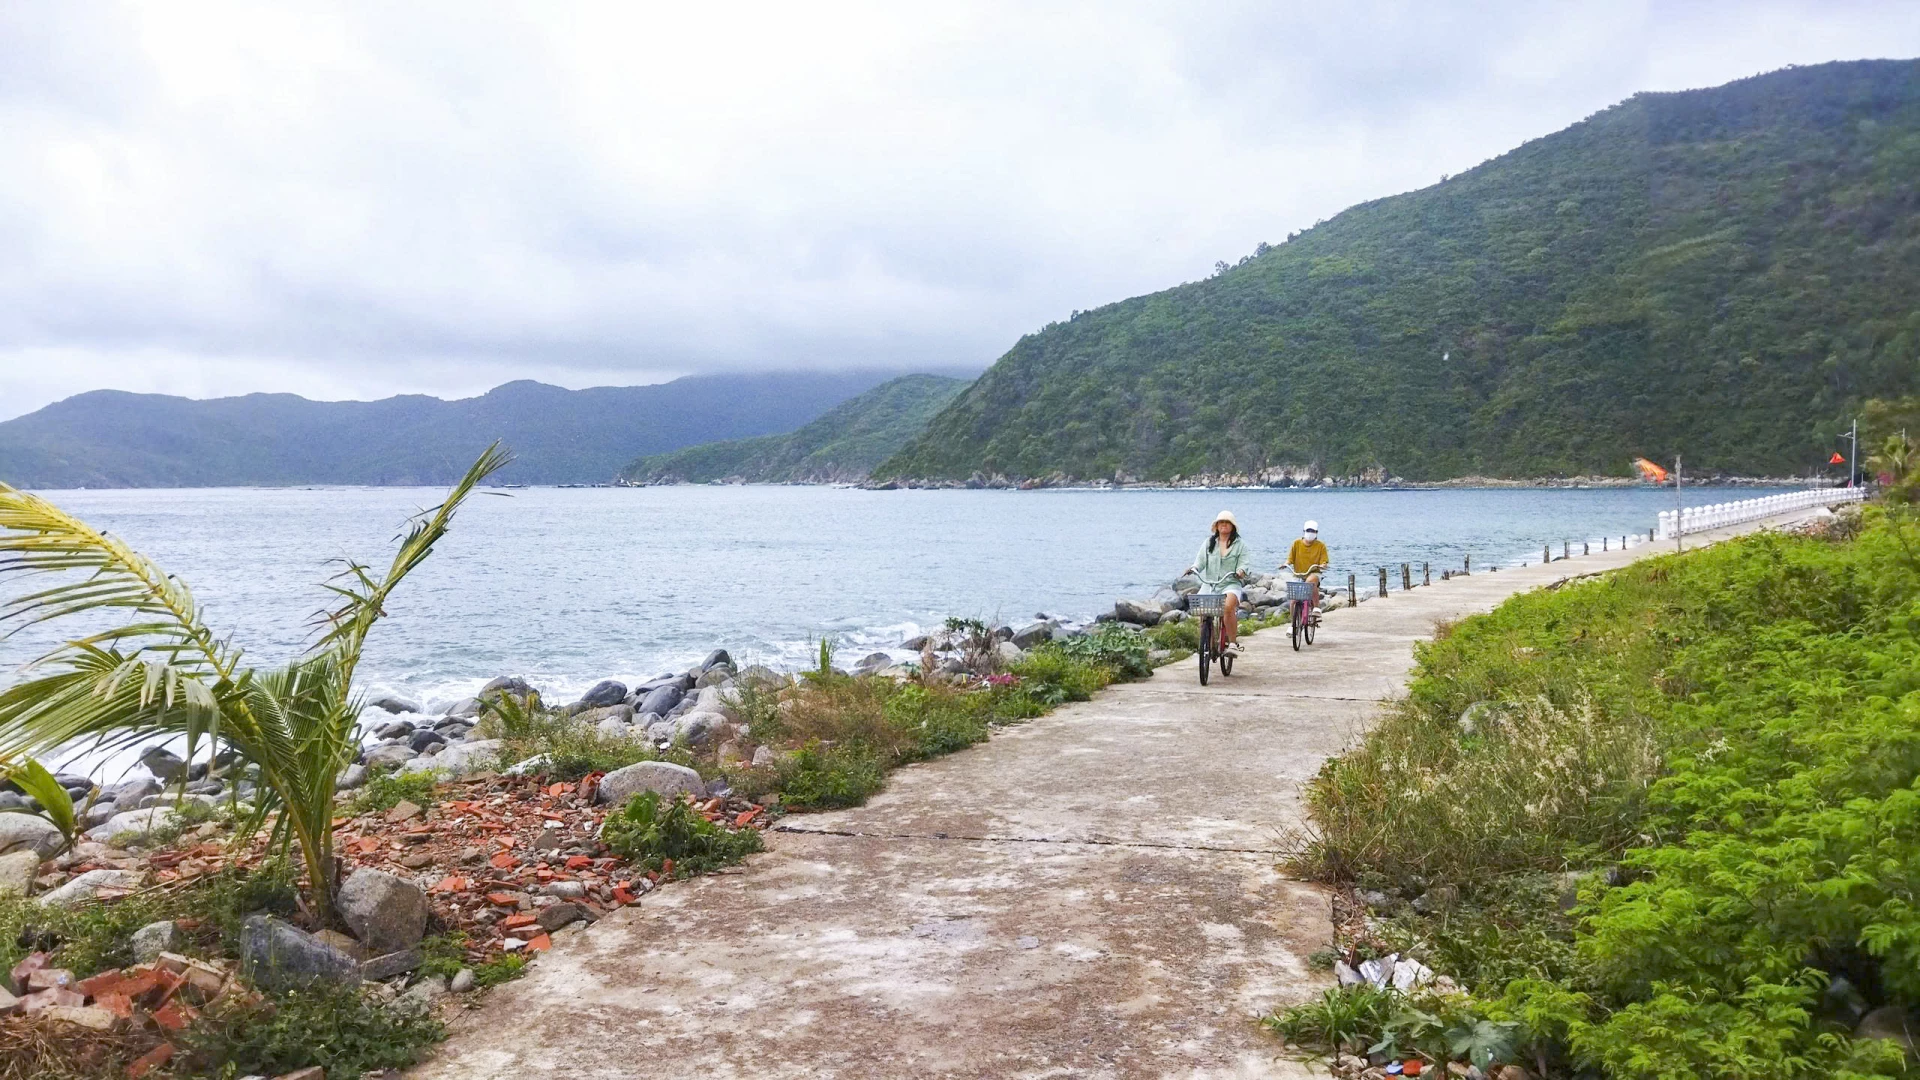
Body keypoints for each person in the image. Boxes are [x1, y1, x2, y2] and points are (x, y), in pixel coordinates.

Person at [1186, 510, 1253, 653]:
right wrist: (1193, 568)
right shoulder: (1208, 543)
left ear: (1233, 526)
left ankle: (1232, 643)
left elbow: (1244, 563)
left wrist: (1240, 571)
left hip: (1230, 584)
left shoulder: (1240, 545)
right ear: (1216, 526)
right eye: (1221, 522)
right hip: (1210, 584)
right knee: (1203, 611)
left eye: (1227, 522)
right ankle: (1207, 644)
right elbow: (1200, 562)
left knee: (1228, 608)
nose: (1224, 524)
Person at [1286, 520, 1330, 615]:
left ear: (1316, 532)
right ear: (1304, 531)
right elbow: (1290, 559)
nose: (1310, 533)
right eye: (1308, 530)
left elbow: (1324, 561)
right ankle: (1292, 621)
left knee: (1311, 581)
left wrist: (1323, 565)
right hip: (1299, 574)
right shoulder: (1296, 543)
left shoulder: (1321, 546)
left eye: (1313, 531)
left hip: (1314, 572)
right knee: (1293, 601)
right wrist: (1286, 564)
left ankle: (1316, 607)